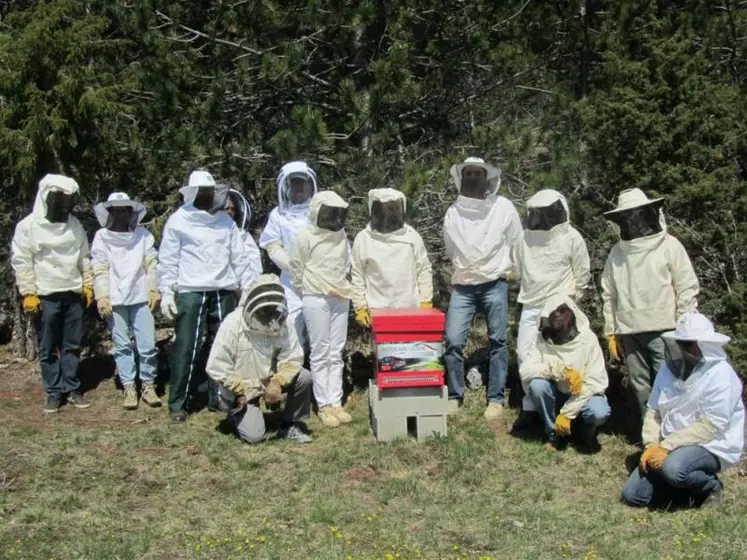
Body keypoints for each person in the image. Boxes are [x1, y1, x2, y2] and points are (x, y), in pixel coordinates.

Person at [158, 170, 257, 422]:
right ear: (192, 194)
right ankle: (178, 403)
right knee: (186, 347)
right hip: (191, 291)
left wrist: (246, 290)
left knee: (223, 347)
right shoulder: (178, 221)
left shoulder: (225, 222)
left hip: (223, 290)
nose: (207, 197)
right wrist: (167, 292)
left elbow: (239, 258)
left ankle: (220, 398)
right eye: (203, 193)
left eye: (210, 192)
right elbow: (168, 259)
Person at [621, 312, 744, 509]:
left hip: (711, 445)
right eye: (680, 342)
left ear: (705, 344)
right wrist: (652, 444)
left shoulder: (721, 375)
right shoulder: (668, 369)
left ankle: (710, 487)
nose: (682, 348)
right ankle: (684, 488)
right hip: (670, 445)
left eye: (688, 343)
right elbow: (654, 411)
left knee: (675, 468)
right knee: (634, 495)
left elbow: (710, 426)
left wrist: (666, 446)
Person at [601, 188, 699, 424]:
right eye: (628, 216)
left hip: (665, 330)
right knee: (640, 385)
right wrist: (611, 331)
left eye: (637, 214)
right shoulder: (617, 253)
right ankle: (650, 439)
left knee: (670, 384)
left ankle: (674, 437)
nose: (633, 221)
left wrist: (685, 327)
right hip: (630, 331)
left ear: (648, 213)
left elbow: (686, 286)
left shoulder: (669, 245)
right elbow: (609, 293)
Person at [443, 157, 522, 420]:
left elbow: (516, 242)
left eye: (478, 173)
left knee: (499, 341)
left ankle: (496, 399)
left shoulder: (503, 207)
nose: (473, 178)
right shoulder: (453, 211)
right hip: (463, 285)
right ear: (462, 179)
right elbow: (451, 248)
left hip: (494, 283)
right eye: (469, 174)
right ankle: (455, 396)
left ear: (487, 178)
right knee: (453, 341)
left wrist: (511, 270)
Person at [11, 174, 94, 413]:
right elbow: (22, 261)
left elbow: (84, 257)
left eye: (66, 198)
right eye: (58, 197)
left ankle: (71, 387)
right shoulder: (27, 226)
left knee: (72, 344)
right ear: (46, 197)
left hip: (73, 291)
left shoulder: (74, 225)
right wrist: (28, 292)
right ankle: (53, 391)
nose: (62, 203)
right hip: (45, 294)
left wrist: (87, 284)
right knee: (48, 347)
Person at [511, 189, 591, 434]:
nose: (544, 218)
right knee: (525, 354)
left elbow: (582, 272)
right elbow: (517, 269)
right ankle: (531, 407)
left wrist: (572, 302)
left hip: (560, 307)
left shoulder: (571, 237)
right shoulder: (524, 238)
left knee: (564, 355)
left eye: (548, 213)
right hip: (533, 304)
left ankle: (568, 406)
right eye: (540, 213)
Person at [206, 274, 313, 444]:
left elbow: (292, 358)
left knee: (304, 377)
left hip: (270, 381)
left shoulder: (282, 323)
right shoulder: (233, 322)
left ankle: (290, 425)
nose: (269, 309)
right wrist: (240, 389)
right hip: (242, 388)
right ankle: (236, 415)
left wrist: (277, 382)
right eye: (266, 302)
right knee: (254, 437)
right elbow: (216, 365)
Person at [91, 192, 161, 410]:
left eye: (125, 210)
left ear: (131, 212)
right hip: (115, 298)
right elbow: (99, 267)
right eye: (117, 210)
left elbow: (152, 263)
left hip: (141, 297)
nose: (121, 214)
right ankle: (129, 387)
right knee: (122, 346)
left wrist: (154, 289)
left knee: (148, 345)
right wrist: (101, 295)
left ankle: (149, 385)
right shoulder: (102, 237)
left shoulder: (142, 235)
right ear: (110, 213)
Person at [289, 191, 352, 429]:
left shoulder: (341, 235)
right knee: (319, 350)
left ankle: (335, 401)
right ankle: (323, 404)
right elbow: (296, 267)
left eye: (337, 212)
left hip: (340, 296)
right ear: (317, 211)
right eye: (329, 212)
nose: (334, 217)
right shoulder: (305, 236)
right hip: (315, 297)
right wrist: (308, 290)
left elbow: (346, 262)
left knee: (336, 350)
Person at [519, 296, 610, 451]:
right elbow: (525, 371)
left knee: (599, 411)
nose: (558, 315)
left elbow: (595, 382)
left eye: (562, 310)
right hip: (557, 394)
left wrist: (567, 413)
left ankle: (587, 432)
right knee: (537, 386)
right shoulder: (541, 339)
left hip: (584, 395)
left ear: (572, 313)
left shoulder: (588, 339)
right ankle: (553, 434)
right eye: (554, 312)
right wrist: (556, 371)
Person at [351, 188, 433, 326]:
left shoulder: (412, 236)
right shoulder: (363, 239)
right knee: (383, 348)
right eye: (382, 209)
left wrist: (426, 300)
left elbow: (423, 269)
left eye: (391, 209)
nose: (386, 214)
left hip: (410, 308)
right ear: (373, 209)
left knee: (409, 347)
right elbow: (358, 274)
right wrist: (360, 308)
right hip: (377, 311)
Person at [258, 162, 318, 348]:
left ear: (310, 185)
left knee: (319, 332)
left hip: (320, 279)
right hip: (291, 282)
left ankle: (318, 375)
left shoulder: (321, 210)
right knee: (292, 330)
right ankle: (296, 373)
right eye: (294, 184)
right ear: (288, 186)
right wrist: (291, 265)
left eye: (302, 183)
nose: (299, 188)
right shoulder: (278, 215)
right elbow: (272, 246)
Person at [225, 189, 263, 278]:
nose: (230, 212)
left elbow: (254, 264)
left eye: (233, 209)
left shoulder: (244, 236)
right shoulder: (211, 233)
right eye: (226, 208)